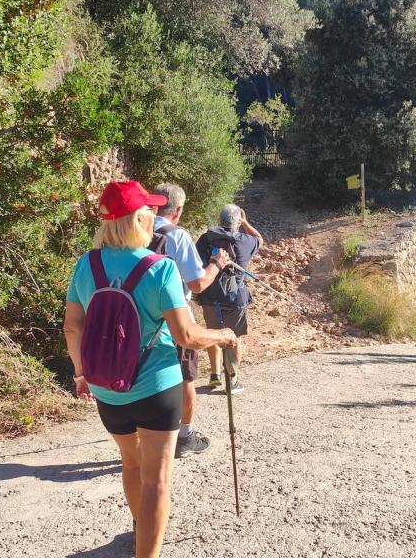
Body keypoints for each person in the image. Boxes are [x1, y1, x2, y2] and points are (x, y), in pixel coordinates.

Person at [63, 180, 237, 558]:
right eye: (150, 211)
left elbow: (72, 325)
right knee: (158, 478)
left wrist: (81, 374)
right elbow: (187, 336)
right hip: (157, 388)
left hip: (107, 389)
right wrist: (222, 335)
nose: (155, 216)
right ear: (140, 217)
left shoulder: (86, 264)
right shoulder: (160, 269)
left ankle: (143, 529)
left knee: (131, 463)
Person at [148, 182, 230, 457]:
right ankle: (185, 435)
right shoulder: (177, 236)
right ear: (179, 210)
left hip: (142, 315)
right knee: (185, 375)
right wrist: (217, 264)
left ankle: (147, 430)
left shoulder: (136, 228)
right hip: (175, 315)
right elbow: (196, 284)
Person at [195, 204, 263, 394]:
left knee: (212, 334)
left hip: (209, 296)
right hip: (235, 299)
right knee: (234, 338)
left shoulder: (205, 238)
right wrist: (246, 222)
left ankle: (215, 375)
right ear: (237, 222)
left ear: (220, 220)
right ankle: (232, 381)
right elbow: (260, 239)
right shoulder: (247, 241)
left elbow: (197, 261)